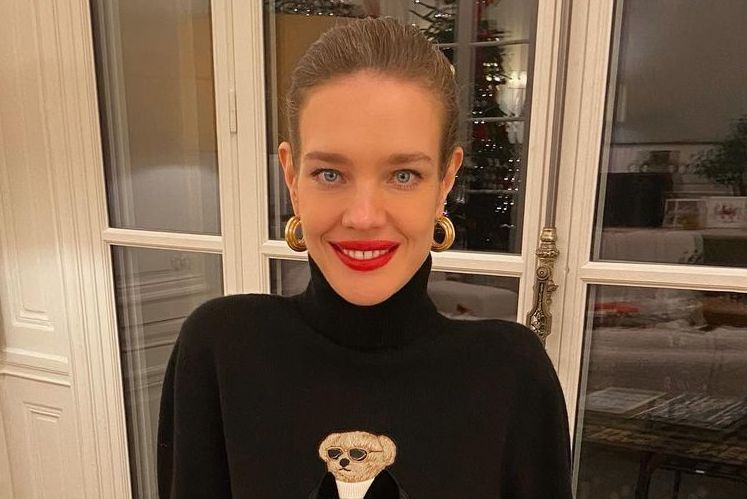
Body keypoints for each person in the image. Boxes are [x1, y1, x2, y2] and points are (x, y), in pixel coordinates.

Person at [157, 16, 572, 499]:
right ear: (292, 177)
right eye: (330, 174)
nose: (363, 217)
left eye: (403, 175)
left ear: (446, 180)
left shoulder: (512, 375)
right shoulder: (220, 349)